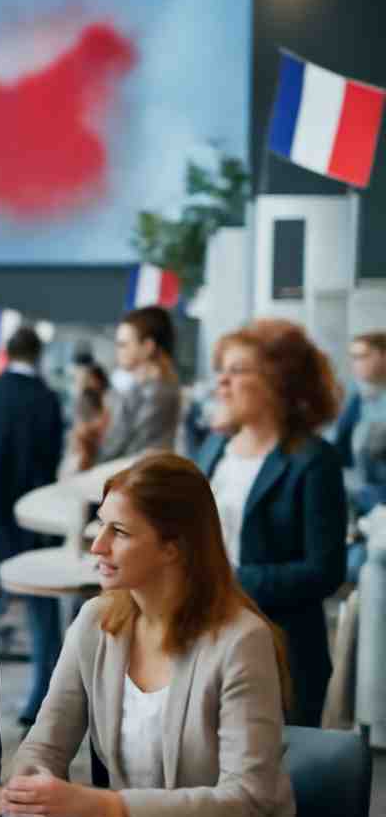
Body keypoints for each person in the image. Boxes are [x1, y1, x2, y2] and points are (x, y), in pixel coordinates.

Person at [5, 453, 330, 817]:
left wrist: (103, 806)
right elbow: (44, 744)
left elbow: (247, 801)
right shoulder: (95, 623)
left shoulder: (240, 641)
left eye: (120, 532)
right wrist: (31, 786)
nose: (96, 546)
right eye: (100, 526)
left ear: (174, 547)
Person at [194, 319, 345, 726]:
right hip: (202, 637)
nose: (222, 382)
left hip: (280, 648)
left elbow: (324, 572)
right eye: (220, 370)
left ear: (280, 382)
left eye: (237, 370)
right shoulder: (214, 446)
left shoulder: (314, 460)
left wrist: (227, 582)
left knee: (270, 780)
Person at [0, 326, 64, 725]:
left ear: (7, 353)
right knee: (41, 602)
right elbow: (52, 455)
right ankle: (42, 698)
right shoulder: (46, 398)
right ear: (38, 355)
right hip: (33, 511)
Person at [333, 330, 386, 582]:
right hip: (360, 501)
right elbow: (338, 447)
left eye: (363, 356)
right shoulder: (358, 398)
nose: (356, 364)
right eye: (353, 357)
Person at [97, 306, 181, 461]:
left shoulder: (158, 393)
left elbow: (119, 447)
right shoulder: (144, 388)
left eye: (123, 344)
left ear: (148, 347)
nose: (118, 351)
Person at [61, 360, 110, 478]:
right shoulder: (85, 398)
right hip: (85, 448)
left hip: (94, 449)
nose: (87, 382)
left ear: (99, 379)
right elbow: (81, 428)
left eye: (90, 378)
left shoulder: (107, 398)